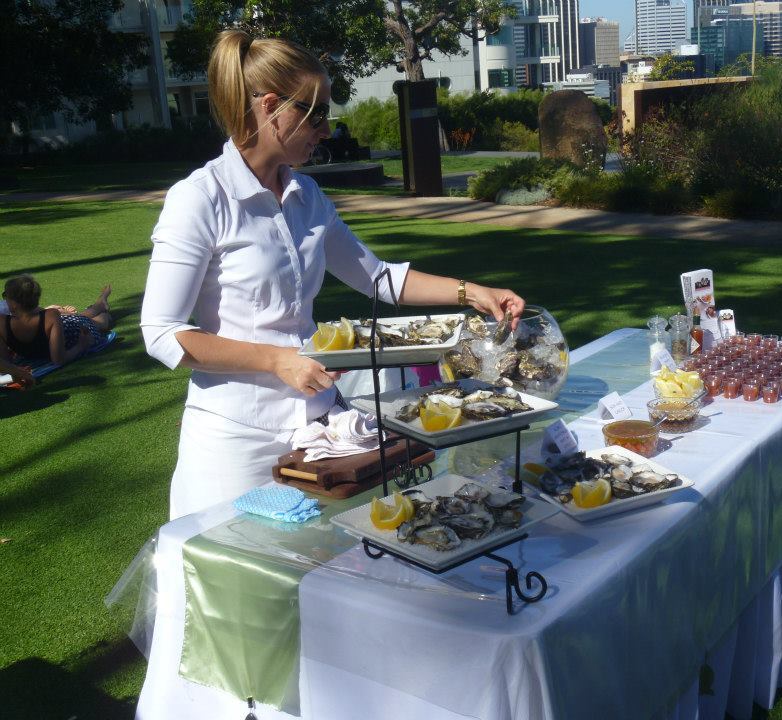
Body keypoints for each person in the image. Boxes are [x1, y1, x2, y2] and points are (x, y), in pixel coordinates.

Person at [140, 30, 525, 520]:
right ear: (271, 107)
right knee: (226, 584)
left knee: (312, 575)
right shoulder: (199, 198)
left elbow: (379, 278)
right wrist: (280, 361)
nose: (326, 129)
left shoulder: (307, 195)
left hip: (319, 428)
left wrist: (472, 293)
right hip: (234, 438)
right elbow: (162, 333)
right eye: (316, 113)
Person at [0, 276, 114, 386]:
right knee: (84, 318)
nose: (4, 299)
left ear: (14, 303)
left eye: (5, 296)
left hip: (72, 331)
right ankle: (101, 303)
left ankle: (102, 306)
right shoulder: (50, 316)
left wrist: (81, 345)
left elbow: (6, 363)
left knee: (101, 322)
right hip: (64, 326)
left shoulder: (2, 323)